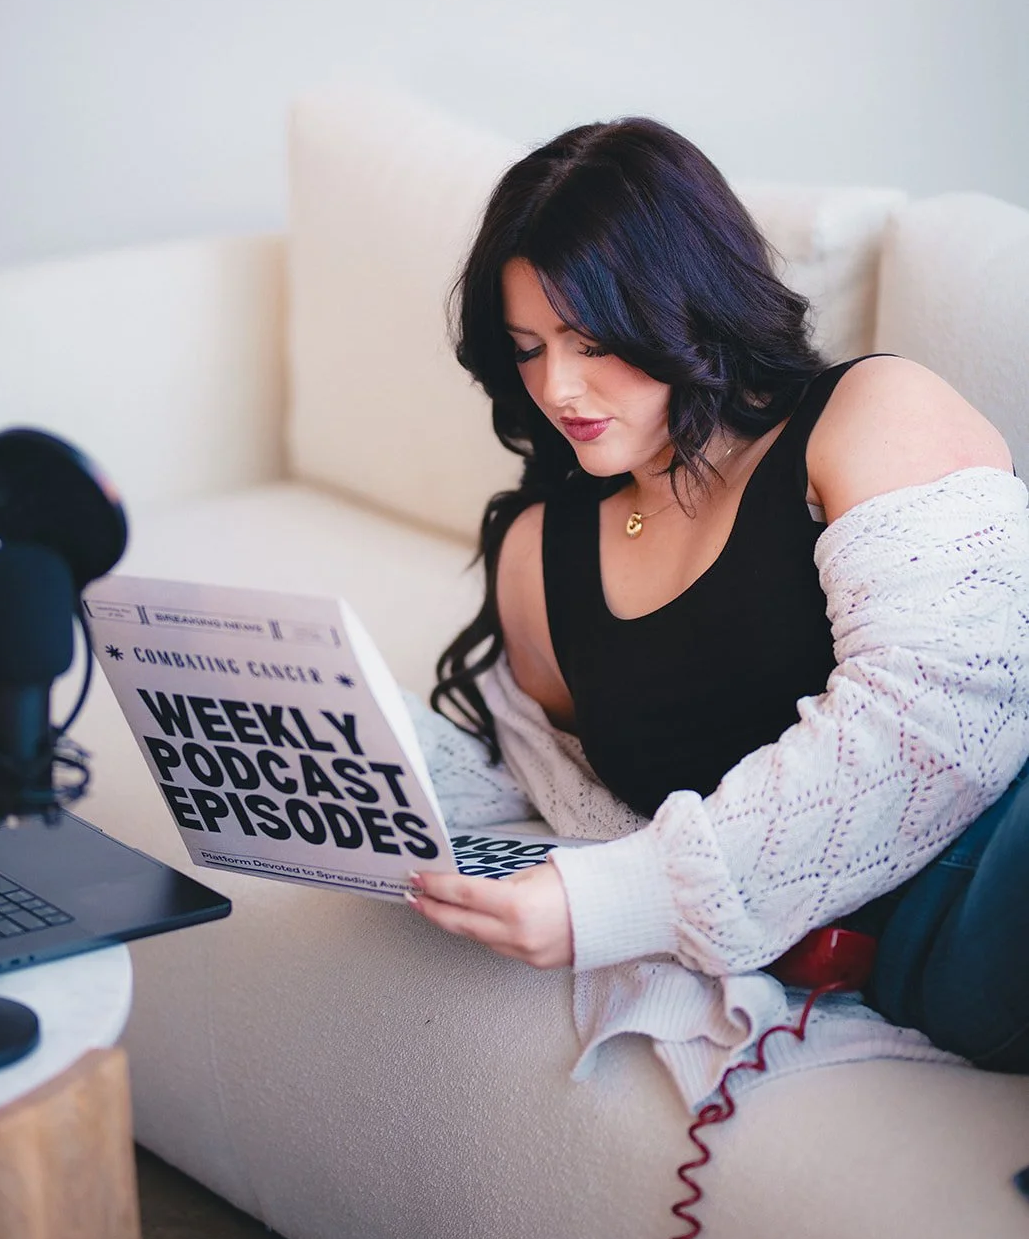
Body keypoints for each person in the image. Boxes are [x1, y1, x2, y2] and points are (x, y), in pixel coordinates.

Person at [404, 116, 1029, 1083]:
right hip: (929, 962)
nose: (557, 388)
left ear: (688, 308)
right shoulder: (539, 555)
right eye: (527, 349)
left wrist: (624, 898)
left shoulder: (868, 416)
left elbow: (936, 723)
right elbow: (531, 771)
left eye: (590, 340)